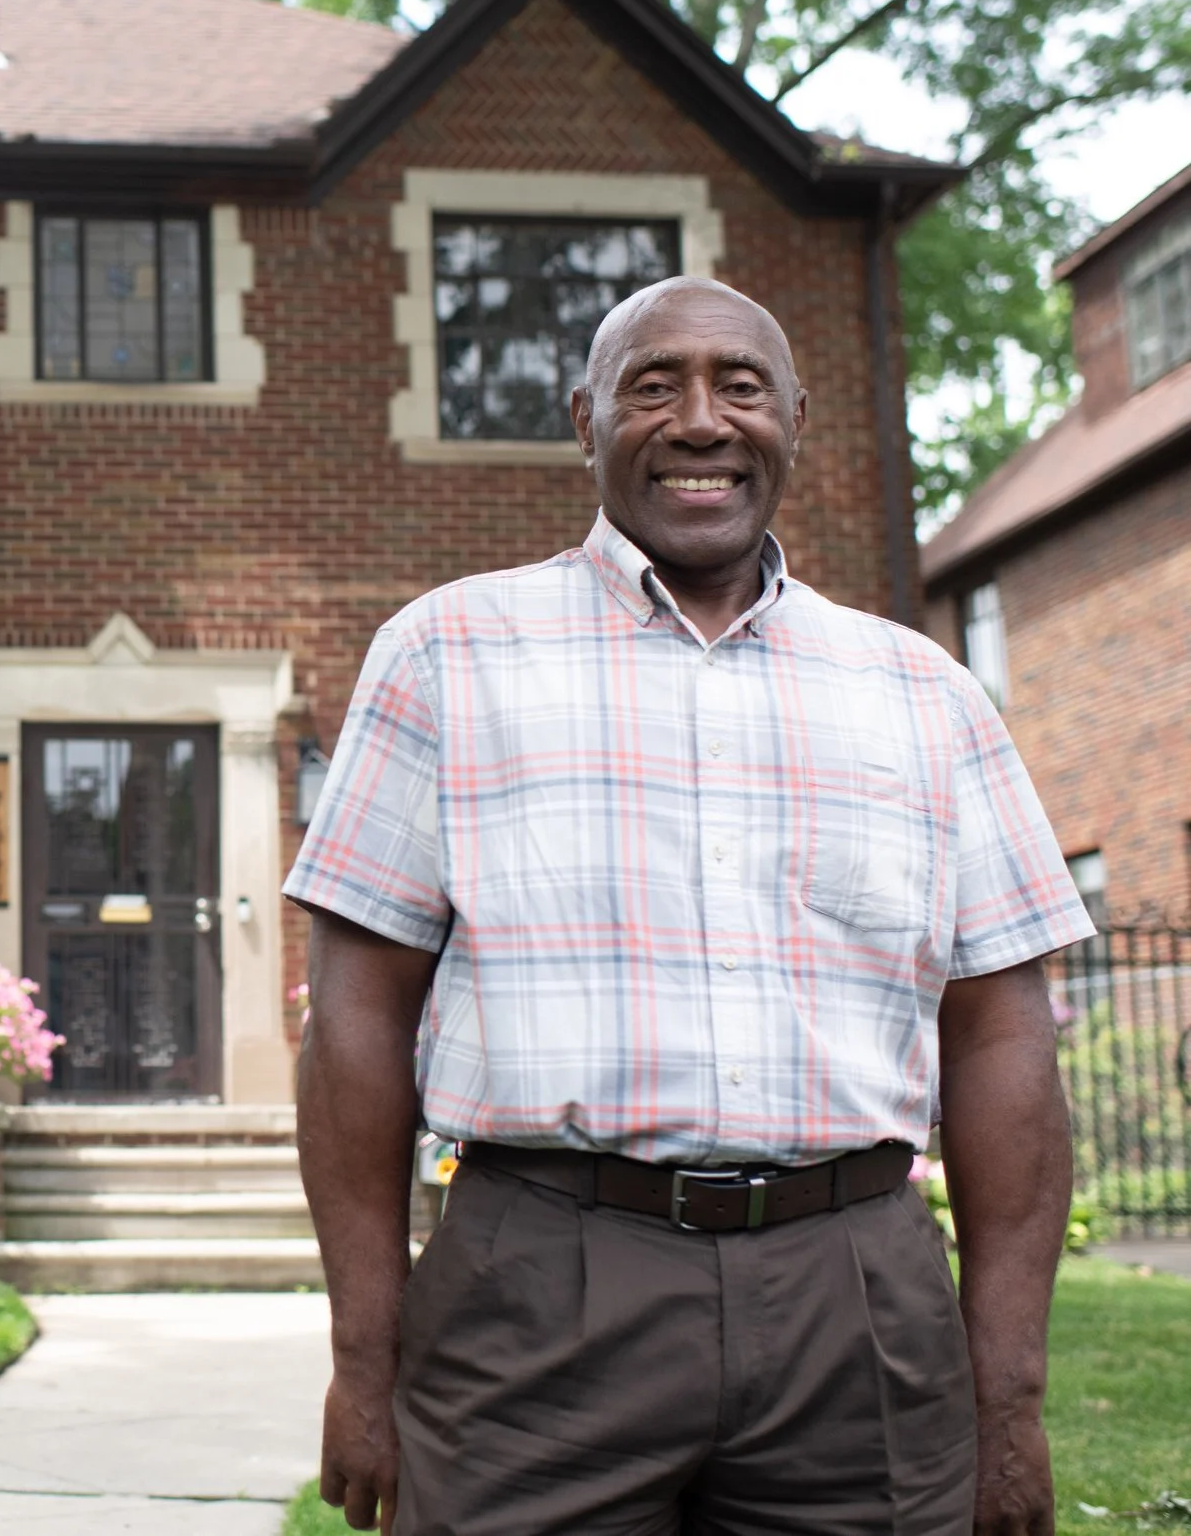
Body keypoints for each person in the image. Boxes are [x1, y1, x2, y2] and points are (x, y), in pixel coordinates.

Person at [284, 277, 1094, 1536]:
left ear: (794, 419)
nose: (701, 420)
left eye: (740, 385)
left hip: (860, 1295)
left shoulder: (924, 694)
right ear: (584, 420)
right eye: (653, 385)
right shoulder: (446, 654)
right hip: (536, 1283)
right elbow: (355, 1017)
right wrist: (363, 1356)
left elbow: (1000, 1036)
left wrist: (1009, 1399)